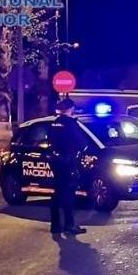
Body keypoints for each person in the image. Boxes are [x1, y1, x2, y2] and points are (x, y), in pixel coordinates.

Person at [48, 97, 87, 237]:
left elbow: (50, 141)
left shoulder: (54, 123)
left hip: (55, 161)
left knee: (57, 193)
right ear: (71, 109)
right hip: (67, 161)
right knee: (69, 194)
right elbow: (81, 143)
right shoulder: (70, 124)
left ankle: (55, 226)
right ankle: (69, 226)